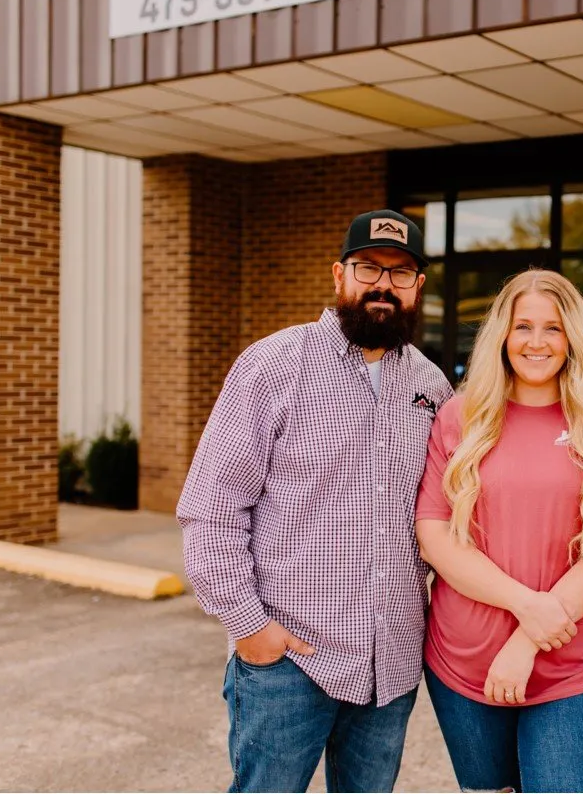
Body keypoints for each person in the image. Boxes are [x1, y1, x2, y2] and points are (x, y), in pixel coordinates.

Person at [178, 209, 453, 793]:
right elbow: (212, 508)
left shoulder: (432, 388)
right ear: (339, 275)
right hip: (289, 660)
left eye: (401, 273)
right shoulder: (272, 365)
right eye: (367, 268)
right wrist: (251, 629)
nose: (383, 284)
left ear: (418, 288)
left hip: (392, 664)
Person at [414, 269, 583, 793]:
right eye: (523, 327)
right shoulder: (459, 417)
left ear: (572, 340)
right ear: (502, 335)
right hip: (464, 663)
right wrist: (527, 606)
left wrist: (526, 641)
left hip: (573, 668)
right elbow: (434, 533)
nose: (536, 342)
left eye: (553, 329)